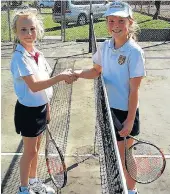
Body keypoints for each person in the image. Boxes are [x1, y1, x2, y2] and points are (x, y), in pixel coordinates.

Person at [73, 1, 145, 194]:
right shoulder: (104, 47)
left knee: (126, 157)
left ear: (129, 22)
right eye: (111, 20)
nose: (115, 25)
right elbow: (96, 71)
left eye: (121, 21)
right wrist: (78, 73)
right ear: (106, 23)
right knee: (115, 155)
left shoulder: (135, 52)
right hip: (108, 109)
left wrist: (129, 120)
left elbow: (134, 90)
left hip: (126, 112)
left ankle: (131, 191)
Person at [10, 9, 76, 194]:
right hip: (27, 112)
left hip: (39, 109)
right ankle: (23, 190)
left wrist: (47, 108)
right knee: (29, 152)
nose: (29, 33)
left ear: (37, 30)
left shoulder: (37, 53)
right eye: (23, 30)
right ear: (16, 32)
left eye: (32, 28)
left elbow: (44, 87)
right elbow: (35, 86)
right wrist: (61, 77)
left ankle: (34, 182)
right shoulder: (19, 58)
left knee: (36, 150)